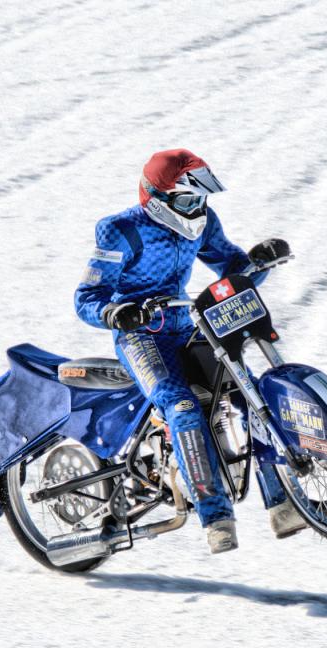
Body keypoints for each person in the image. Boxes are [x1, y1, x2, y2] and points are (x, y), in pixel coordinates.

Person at [74, 149, 306, 554]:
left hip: (190, 326)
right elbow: (86, 297)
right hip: (142, 337)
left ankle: (283, 503)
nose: (198, 208)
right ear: (156, 197)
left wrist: (259, 261)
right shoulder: (120, 230)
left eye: (202, 199)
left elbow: (232, 269)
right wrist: (115, 311)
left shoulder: (202, 223)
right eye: (188, 200)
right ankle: (215, 516)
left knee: (248, 392)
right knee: (181, 406)